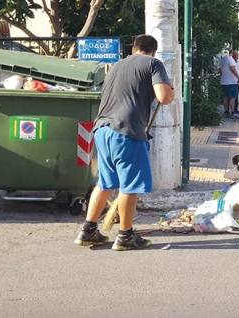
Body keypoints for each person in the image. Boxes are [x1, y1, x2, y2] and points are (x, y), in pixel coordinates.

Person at [74, 34, 174, 251]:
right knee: (130, 184)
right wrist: (169, 88)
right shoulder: (153, 63)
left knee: (105, 183)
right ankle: (125, 236)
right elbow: (164, 97)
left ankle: (88, 231)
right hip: (126, 131)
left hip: (102, 130)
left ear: (133, 49)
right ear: (153, 51)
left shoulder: (117, 66)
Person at [219, 50, 239, 118]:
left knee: (225, 97)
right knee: (232, 97)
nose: (236, 56)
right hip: (232, 82)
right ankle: (232, 112)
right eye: (236, 54)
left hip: (224, 82)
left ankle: (226, 111)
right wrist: (238, 78)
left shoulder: (223, 59)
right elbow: (233, 69)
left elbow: (220, 70)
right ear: (231, 54)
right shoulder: (230, 59)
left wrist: (222, 77)